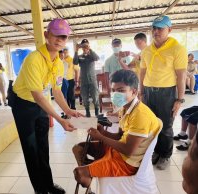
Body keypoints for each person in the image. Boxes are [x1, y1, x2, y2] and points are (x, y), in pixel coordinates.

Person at [11, 18, 83, 194]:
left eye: (63, 37)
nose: (59, 40)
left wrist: (67, 110)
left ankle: (48, 185)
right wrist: (60, 120)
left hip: (40, 103)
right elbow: (37, 95)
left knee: (43, 147)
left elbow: (56, 91)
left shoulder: (58, 63)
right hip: (23, 105)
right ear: (46, 35)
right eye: (55, 35)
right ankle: (40, 190)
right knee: (32, 150)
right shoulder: (33, 59)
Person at [73, 69, 161, 188]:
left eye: (121, 91)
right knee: (78, 148)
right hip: (119, 152)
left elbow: (128, 151)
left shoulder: (140, 115)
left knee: (79, 173)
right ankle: (92, 171)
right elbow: (120, 136)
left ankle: (89, 173)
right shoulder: (125, 107)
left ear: (134, 92)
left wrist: (100, 137)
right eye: (113, 90)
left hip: (127, 163)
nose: (115, 94)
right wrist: (102, 132)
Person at [140, 15, 188, 170]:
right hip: (148, 92)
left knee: (166, 126)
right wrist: (141, 92)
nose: (156, 31)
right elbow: (142, 72)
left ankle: (165, 155)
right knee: (151, 125)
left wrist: (179, 99)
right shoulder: (147, 50)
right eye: (154, 28)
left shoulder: (178, 49)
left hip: (166, 93)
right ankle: (155, 151)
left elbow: (181, 75)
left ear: (170, 29)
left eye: (160, 28)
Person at [73, 39, 100, 117]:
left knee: (95, 97)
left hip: (92, 80)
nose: (85, 47)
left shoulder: (91, 56)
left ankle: (97, 113)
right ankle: (87, 112)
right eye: (83, 46)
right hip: (84, 81)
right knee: (84, 98)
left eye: (86, 46)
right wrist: (76, 51)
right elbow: (75, 62)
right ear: (81, 47)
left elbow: (97, 58)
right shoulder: (80, 56)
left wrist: (90, 49)